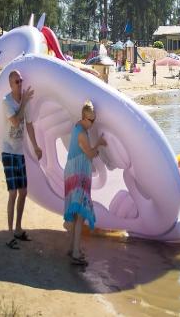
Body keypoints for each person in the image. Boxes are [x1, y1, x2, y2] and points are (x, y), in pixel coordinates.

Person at [2, 70, 43, 250]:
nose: (20, 84)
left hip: (19, 152)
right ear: (11, 84)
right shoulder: (6, 101)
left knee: (24, 192)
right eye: (17, 82)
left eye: (21, 81)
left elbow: (29, 125)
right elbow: (16, 122)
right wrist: (24, 102)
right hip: (8, 152)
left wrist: (36, 146)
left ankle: (18, 229)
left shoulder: (25, 101)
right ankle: (9, 234)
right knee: (13, 193)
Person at [64, 101, 107, 265]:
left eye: (94, 120)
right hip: (78, 173)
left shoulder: (79, 126)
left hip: (75, 172)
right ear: (83, 117)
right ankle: (75, 252)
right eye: (91, 120)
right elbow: (89, 154)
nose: (92, 124)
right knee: (80, 214)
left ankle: (72, 248)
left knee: (76, 212)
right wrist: (99, 144)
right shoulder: (81, 133)